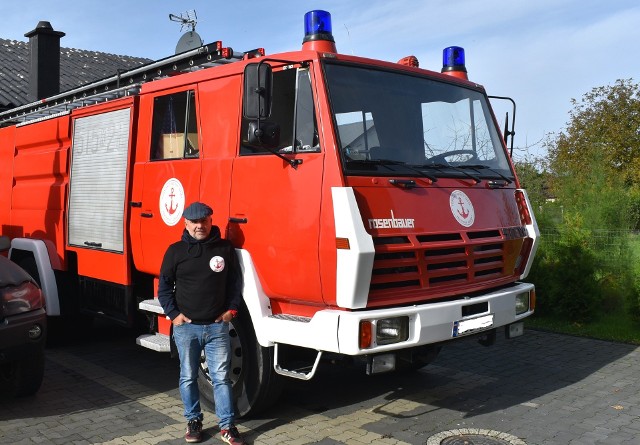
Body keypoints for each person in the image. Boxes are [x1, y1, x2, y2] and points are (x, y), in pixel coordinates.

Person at [157, 201, 245, 444]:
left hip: (217, 327)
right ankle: (193, 421)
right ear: (185, 223)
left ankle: (227, 426)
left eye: (204, 221)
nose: (200, 226)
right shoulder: (175, 251)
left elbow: (235, 284)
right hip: (187, 328)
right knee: (187, 376)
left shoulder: (225, 249)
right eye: (194, 222)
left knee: (221, 378)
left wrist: (231, 311)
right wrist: (174, 315)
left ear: (210, 221)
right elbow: (164, 287)